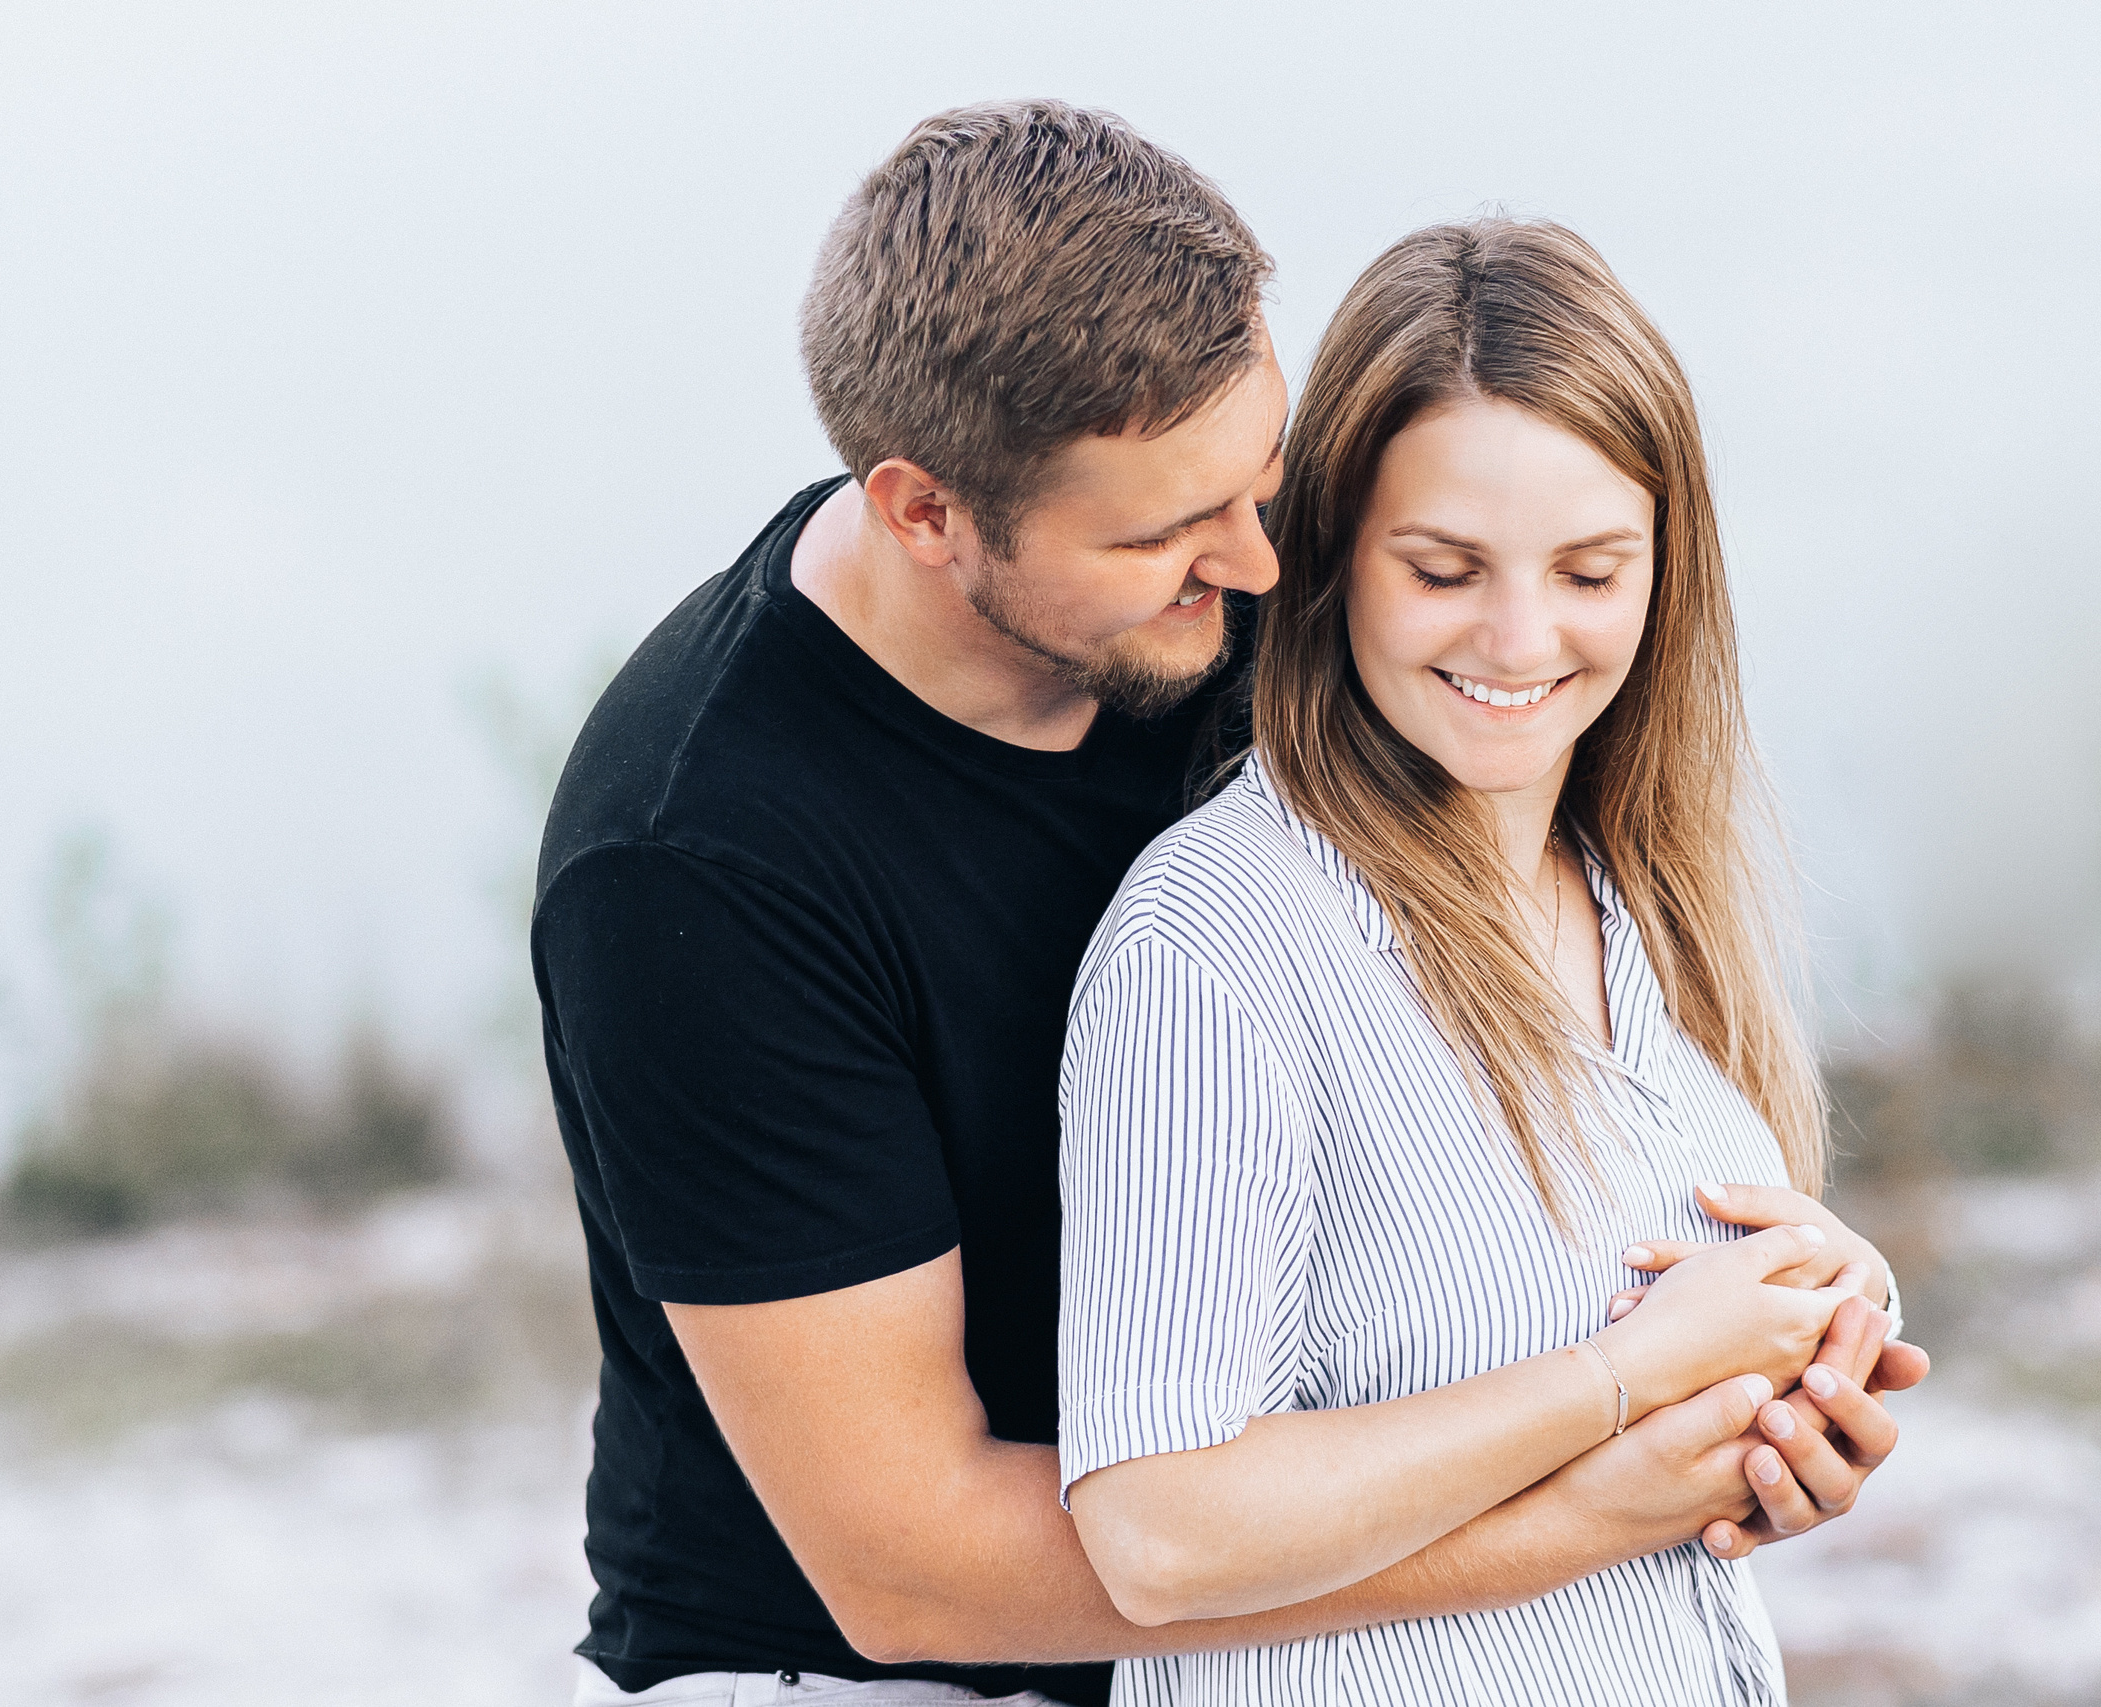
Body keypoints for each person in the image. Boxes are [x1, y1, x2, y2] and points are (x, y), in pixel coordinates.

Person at [536, 100, 1923, 1707]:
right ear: (927, 513)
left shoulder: (1206, 611)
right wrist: (1592, 1503)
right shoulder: (695, 863)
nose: (1265, 570)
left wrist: (1792, 1355)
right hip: (857, 1669)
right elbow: (911, 1569)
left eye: (1260, 480)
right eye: (1172, 532)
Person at [1058, 218, 1907, 1706]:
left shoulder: (1644, 898)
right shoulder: (1218, 945)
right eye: (1445, 568)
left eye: (1591, 570)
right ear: (1328, 561)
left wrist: (1818, 1346)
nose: (1521, 639)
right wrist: (1626, 1383)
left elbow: (1648, 1396)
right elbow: (1158, 1530)